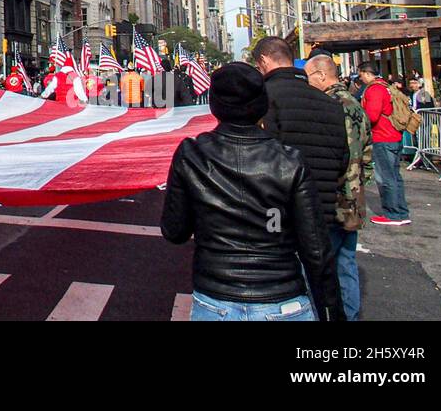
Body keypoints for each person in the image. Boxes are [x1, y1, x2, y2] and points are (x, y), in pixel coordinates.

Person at [160, 62, 343, 322]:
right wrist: (331, 310)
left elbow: (174, 230)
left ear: (214, 105)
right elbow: (315, 248)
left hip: (215, 297)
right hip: (281, 297)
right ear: (262, 105)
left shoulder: (192, 155)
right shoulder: (290, 161)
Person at [252, 36, 349, 242]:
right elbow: (343, 159)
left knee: (287, 270)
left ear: (264, 60)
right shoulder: (332, 105)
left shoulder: (261, 100)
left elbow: (259, 159)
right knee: (322, 270)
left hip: (279, 213)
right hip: (322, 208)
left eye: (258, 66)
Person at [305, 53, 373, 322]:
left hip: (333, 197)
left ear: (322, 75)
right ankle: (349, 315)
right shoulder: (355, 104)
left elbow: (331, 154)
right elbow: (367, 153)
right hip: (354, 198)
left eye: (309, 76)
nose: (307, 82)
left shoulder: (330, 105)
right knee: (346, 263)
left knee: (323, 265)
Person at [358, 64, 410, 226]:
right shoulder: (386, 86)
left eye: (361, 75)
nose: (360, 79)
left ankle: (392, 214)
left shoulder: (374, 90)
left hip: (382, 137)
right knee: (395, 176)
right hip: (393, 135)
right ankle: (401, 211)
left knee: (385, 177)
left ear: (367, 74)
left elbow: (372, 116)